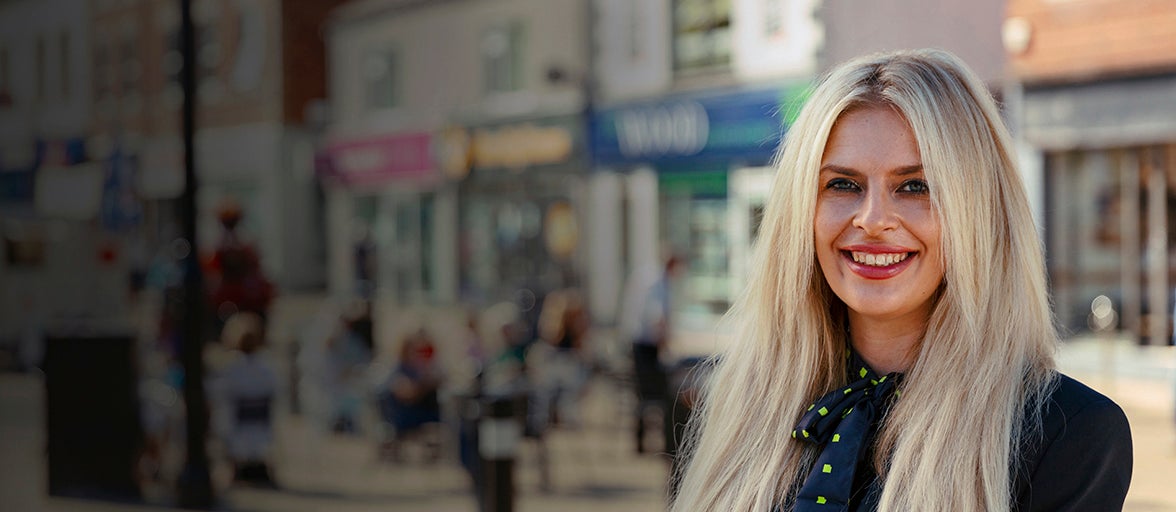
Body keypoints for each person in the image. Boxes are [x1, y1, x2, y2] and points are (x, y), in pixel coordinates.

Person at [670, 49, 1132, 512]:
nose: (872, 220)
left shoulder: (1069, 433)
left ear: (980, 212)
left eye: (915, 186)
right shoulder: (736, 409)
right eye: (842, 185)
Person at [619, 255, 685, 453]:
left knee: (642, 395)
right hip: (645, 346)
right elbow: (656, 317)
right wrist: (667, 345)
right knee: (665, 394)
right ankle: (668, 445)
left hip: (638, 342)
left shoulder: (647, 275)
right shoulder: (657, 282)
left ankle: (641, 440)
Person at [211, 311, 278, 487]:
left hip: (237, 428)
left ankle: (233, 466)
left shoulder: (230, 367)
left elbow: (219, 394)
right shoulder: (267, 366)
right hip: (262, 430)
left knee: (223, 410)